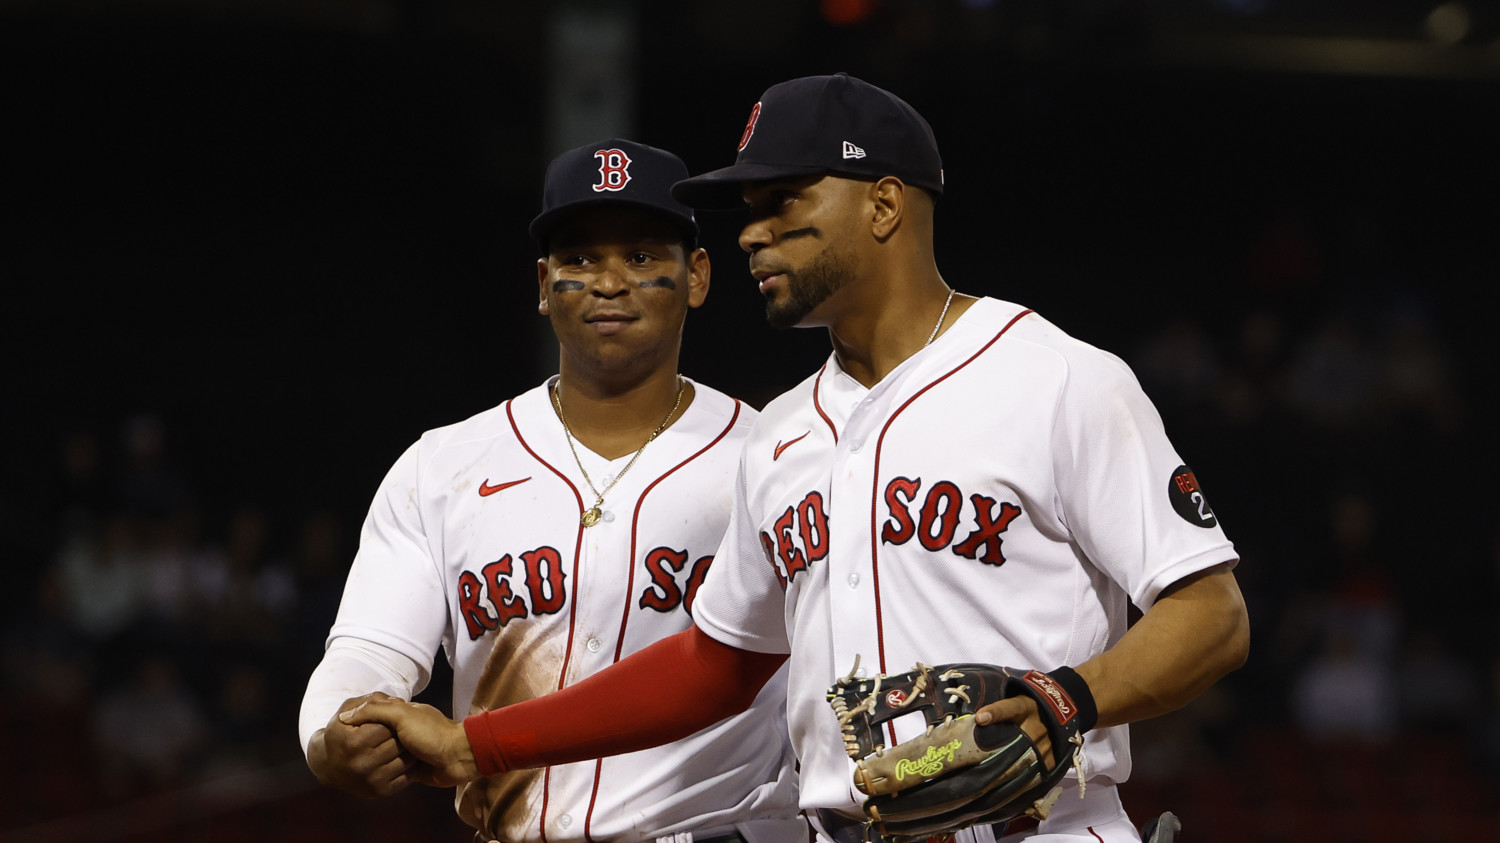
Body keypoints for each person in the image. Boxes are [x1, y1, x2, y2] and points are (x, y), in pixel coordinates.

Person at [342, 75, 1251, 843]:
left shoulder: (1055, 378)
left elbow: (1210, 613)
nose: (750, 231)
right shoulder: (781, 435)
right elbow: (716, 660)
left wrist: (1072, 697)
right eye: (748, 209)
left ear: (885, 203)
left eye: (785, 201)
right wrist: (481, 744)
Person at [299, 138, 805, 843]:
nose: (608, 281)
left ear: (696, 275)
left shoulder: (778, 455)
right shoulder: (444, 466)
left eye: (640, 256)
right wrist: (333, 728)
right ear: (542, 283)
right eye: (579, 258)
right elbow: (367, 649)